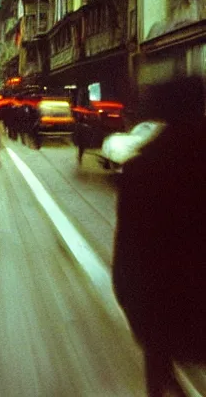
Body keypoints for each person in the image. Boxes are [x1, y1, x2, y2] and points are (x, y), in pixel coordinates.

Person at [112, 75, 206, 397]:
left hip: (160, 295)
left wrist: (125, 289)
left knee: (158, 364)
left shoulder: (143, 167)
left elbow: (129, 241)